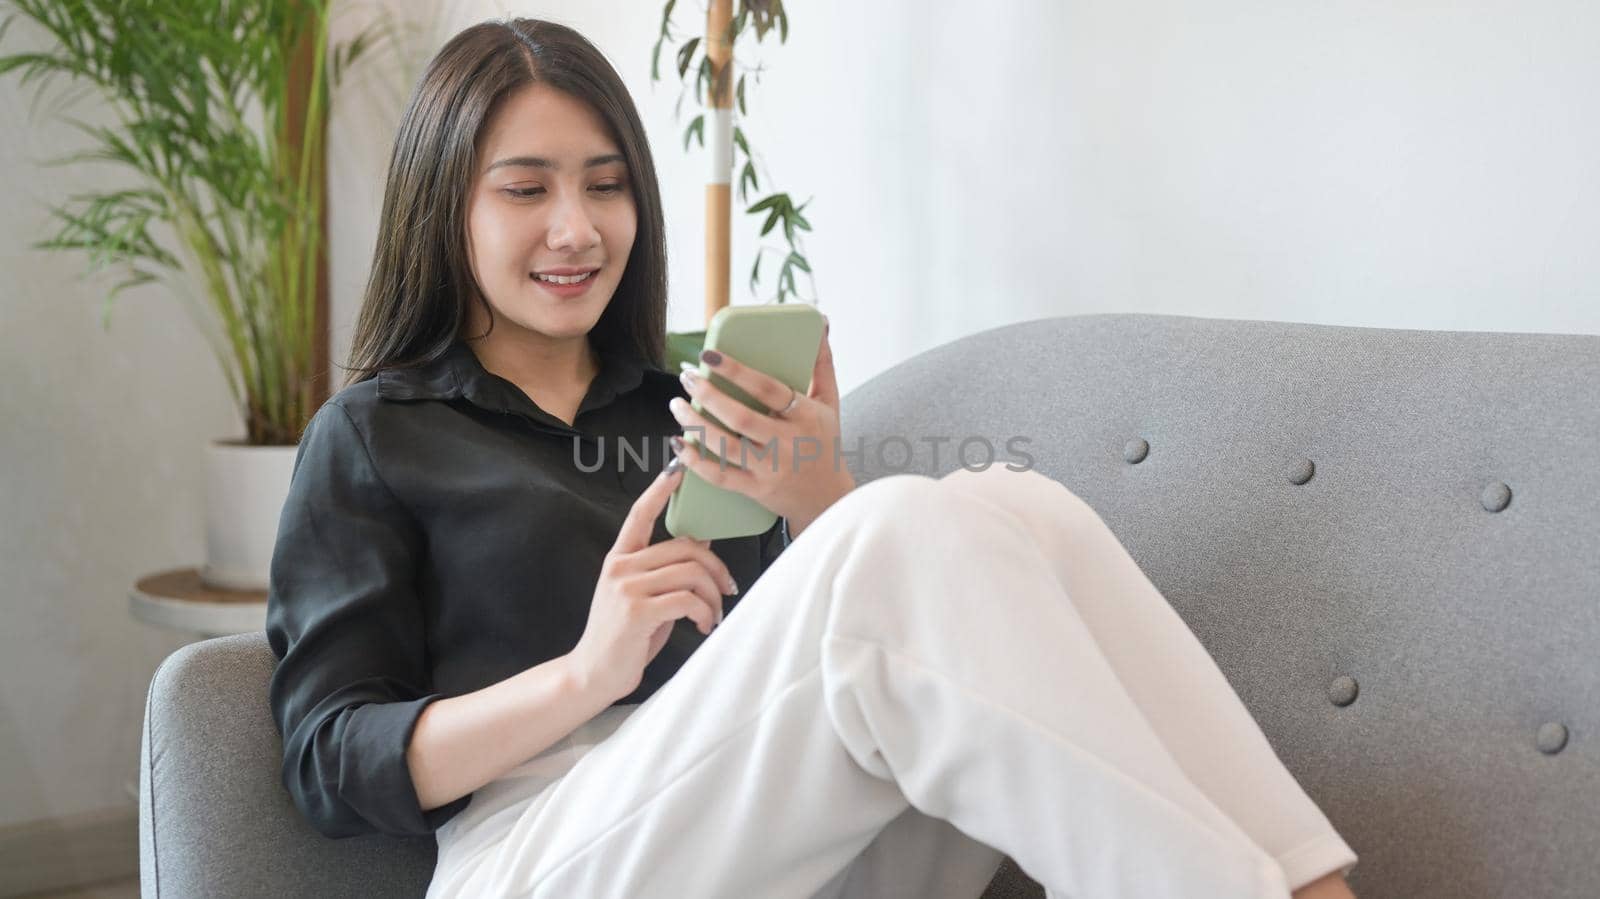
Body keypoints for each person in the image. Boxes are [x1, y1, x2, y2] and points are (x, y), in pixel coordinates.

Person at [265, 17, 1360, 899]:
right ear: (442, 207)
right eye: (525, 188)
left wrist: (811, 492)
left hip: (771, 838)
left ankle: (1313, 884)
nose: (577, 228)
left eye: (605, 185)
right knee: (906, 525)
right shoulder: (373, 433)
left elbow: (821, 671)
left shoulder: (685, 405)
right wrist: (585, 674)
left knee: (1016, 503)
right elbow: (326, 758)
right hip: (542, 849)